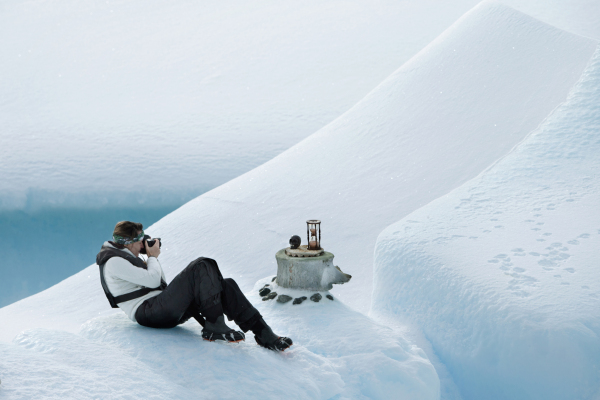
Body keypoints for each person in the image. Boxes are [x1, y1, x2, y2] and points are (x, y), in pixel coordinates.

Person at [96, 221, 292, 351]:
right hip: (149, 312)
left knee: (226, 285)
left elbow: (159, 281)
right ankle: (215, 325)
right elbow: (155, 281)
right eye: (141, 239)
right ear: (130, 242)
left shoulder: (129, 257)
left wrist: (150, 258)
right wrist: (153, 257)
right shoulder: (114, 261)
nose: (144, 243)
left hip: (160, 307)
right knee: (201, 265)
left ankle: (263, 332)